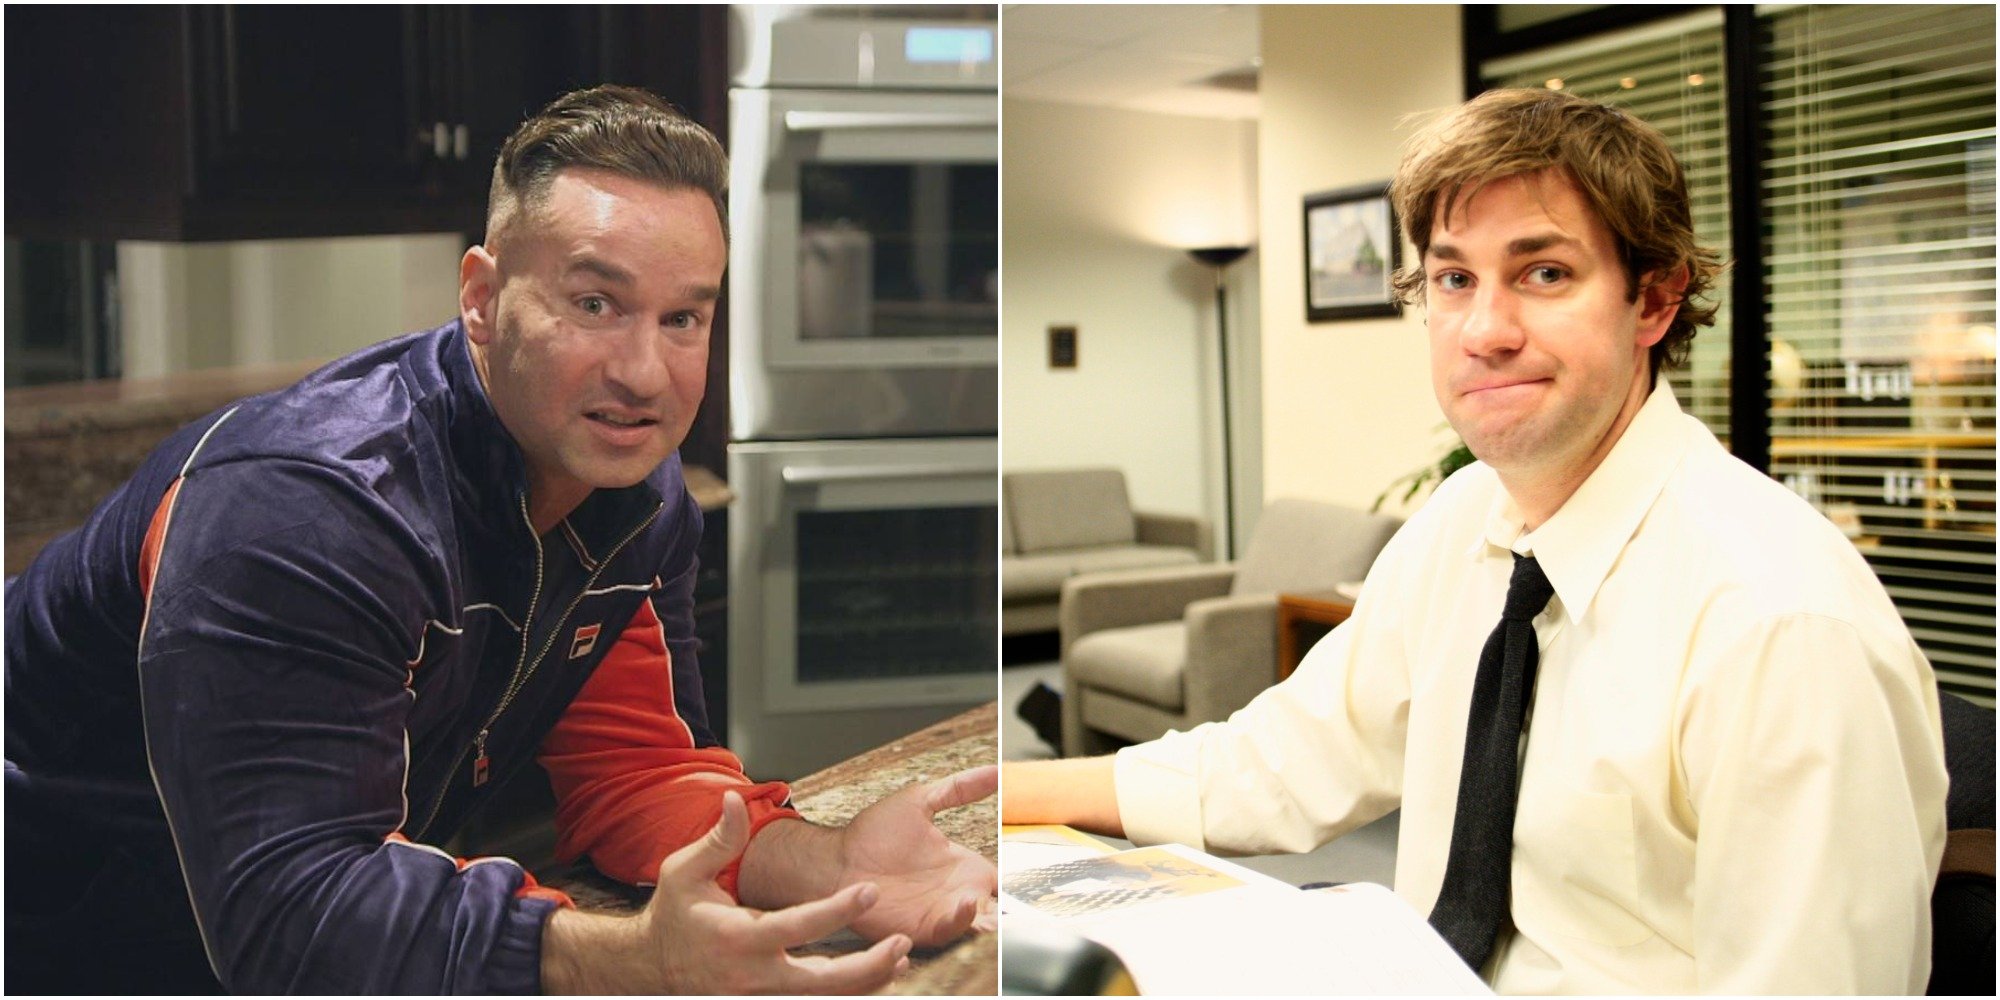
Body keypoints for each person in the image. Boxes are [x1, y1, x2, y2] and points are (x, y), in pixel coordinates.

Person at [4, 85, 995, 994]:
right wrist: (631, 960)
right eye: (594, 304)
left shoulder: (635, 500)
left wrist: (833, 869)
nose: (645, 373)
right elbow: (292, 917)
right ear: (480, 297)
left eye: (684, 316)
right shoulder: (302, 514)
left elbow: (638, 778)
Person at [1003, 87, 1948, 994]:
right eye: (1455, 279)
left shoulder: (1780, 624)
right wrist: (988, 797)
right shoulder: (1464, 524)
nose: (1485, 330)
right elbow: (1282, 763)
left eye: (1544, 274)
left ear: (1654, 303)